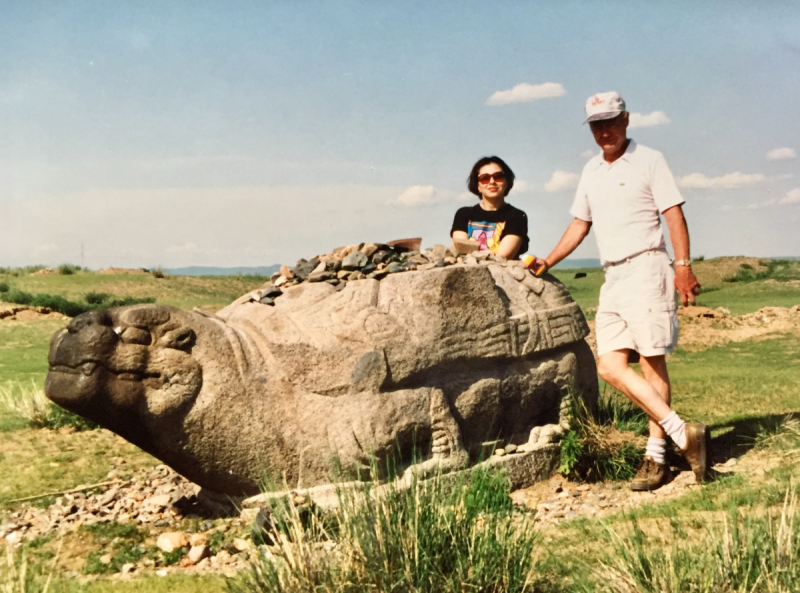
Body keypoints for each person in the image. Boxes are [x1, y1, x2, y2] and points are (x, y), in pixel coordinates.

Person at [534, 91, 708, 491]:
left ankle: (657, 456)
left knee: (650, 363)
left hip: (648, 266)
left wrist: (683, 266)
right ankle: (685, 435)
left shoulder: (650, 160)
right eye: (597, 125)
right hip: (613, 275)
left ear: (626, 120)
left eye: (611, 121)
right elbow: (580, 224)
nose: (605, 131)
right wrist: (548, 260)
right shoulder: (591, 171)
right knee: (609, 366)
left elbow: (673, 214)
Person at [451, 156, 529, 260]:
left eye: (498, 176)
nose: (492, 181)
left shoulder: (516, 216)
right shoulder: (464, 214)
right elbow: (460, 251)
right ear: (477, 185)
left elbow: (502, 257)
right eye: (485, 178)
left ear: (506, 182)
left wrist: (474, 254)